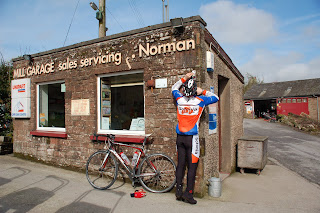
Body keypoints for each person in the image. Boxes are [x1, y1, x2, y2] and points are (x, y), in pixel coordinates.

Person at [172, 71, 219, 204]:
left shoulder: (179, 99)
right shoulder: (200, 101)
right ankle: (189, 194)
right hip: (192, 139)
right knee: (192, 167)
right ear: (194, 90)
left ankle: (178, 192)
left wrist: (185, 77)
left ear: (185, 89)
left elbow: (174, 88)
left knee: (180, 165)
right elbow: (216, 97)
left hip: (180, 137)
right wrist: (202, 91)